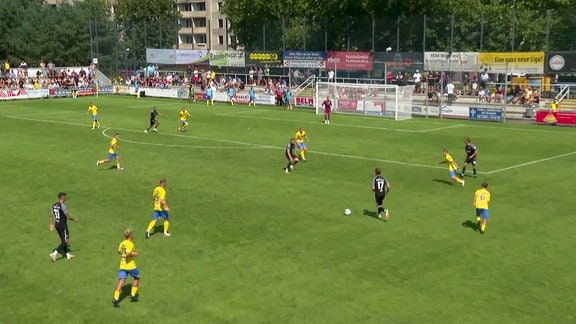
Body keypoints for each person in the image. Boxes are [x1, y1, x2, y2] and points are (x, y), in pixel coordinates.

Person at [112, 229, 140, 307]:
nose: (133, 235)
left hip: (122, 265)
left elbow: (119, 251)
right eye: (132, 234)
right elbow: (128, 254)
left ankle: (116, 298)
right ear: (130, 235)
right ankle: (133, 295)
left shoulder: (122, 243)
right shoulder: (130, 244)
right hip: (131, 266)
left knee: (121, 280)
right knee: (136, 277)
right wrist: (135, 254)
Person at [49, 192, 78, 262]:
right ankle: (55, 253)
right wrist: (74, 219)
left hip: (57, 224)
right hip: (63, 225)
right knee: (65, 241)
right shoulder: (63, 206)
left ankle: (68, 255)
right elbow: (67, 217)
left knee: (63, 240)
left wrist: (51, 224)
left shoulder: (54, 205)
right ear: (63, 198)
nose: (66, 198)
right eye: (65, 197)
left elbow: (51, 215)